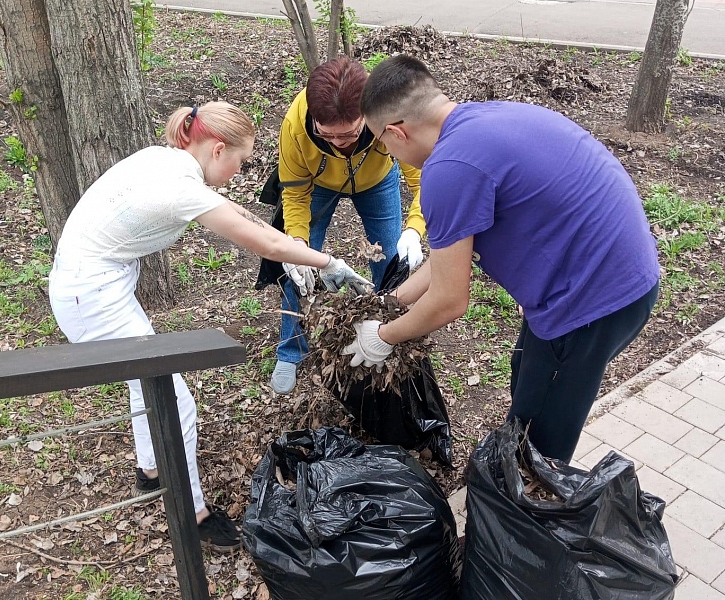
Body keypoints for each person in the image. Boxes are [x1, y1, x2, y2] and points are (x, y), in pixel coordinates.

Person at [48, 102, 368, 553]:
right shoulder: (181, 189)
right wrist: (325, 260)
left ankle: (151, 471)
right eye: (240, 161)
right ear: (218, 149)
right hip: (90, 297)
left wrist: (293, 249)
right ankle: (192, 513)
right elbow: (254, 236)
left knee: (148, 382)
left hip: (94, 284)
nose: (239, 172)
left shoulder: (167, 160)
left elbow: (238, 213)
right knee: (177, 401)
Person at [345, 55, 660, 463]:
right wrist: (391, 303)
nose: (384, 150)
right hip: (613, 273)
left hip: (592, 302)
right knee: (527, 379)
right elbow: (446, 263)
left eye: (379, 140)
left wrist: (383, 337)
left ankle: (526, 511)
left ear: (396, 132)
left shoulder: (448, 170)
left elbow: (450, 298)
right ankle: (515, 479)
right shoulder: (480, 121)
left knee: (541, 437)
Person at [271, 56, 427, 395]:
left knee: (389, 262)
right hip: (318, 184)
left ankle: (388, 337)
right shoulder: (296, 126)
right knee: (299, 269)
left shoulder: (390, 113)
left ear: (369, 115)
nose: (339, 143)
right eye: (327, 135)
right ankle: (291, 350)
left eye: (350, 134)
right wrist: (296, 243)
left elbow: (424, 181)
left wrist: (414, 230)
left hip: (378, 180)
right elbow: (295, 195)